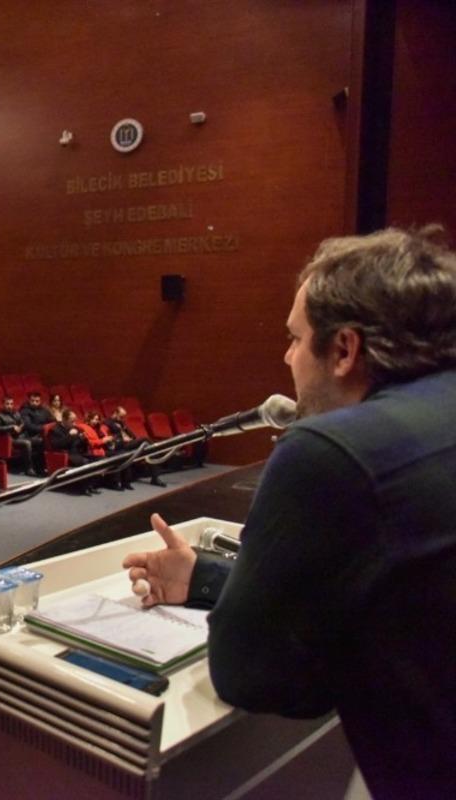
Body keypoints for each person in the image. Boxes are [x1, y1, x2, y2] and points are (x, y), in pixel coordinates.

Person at [120, 226, 456, 798]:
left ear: (345, 349)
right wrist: (208, 577)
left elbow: (254, 675)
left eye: (295, 339)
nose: (287, 356)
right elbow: (399, 596)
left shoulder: (335, 452)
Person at [0, 396, 42, 475]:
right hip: (10, 439)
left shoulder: (16, 413)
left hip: (21, 436)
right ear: (3, 405)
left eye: (11, 404)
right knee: (27, 443)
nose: (10, 406)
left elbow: (22, 422)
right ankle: (28, 468)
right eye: (7, 404)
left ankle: (39, 466)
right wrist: (12, 427)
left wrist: (20, 427)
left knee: (39, 440)